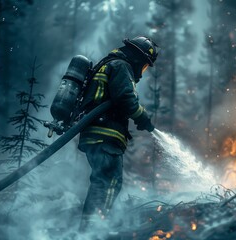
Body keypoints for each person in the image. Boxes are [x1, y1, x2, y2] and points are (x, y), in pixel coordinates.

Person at [77, 36, 159, 232]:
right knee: (108, 182)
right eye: (145, 65)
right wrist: (143, 117)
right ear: (138, 57)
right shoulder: (122, 66)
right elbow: (125, 97)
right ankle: (92, 231)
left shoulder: (110, 64)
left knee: (103, 181)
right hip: (105, 133)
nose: (143, 69)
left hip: (97, 132)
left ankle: (89, 229)